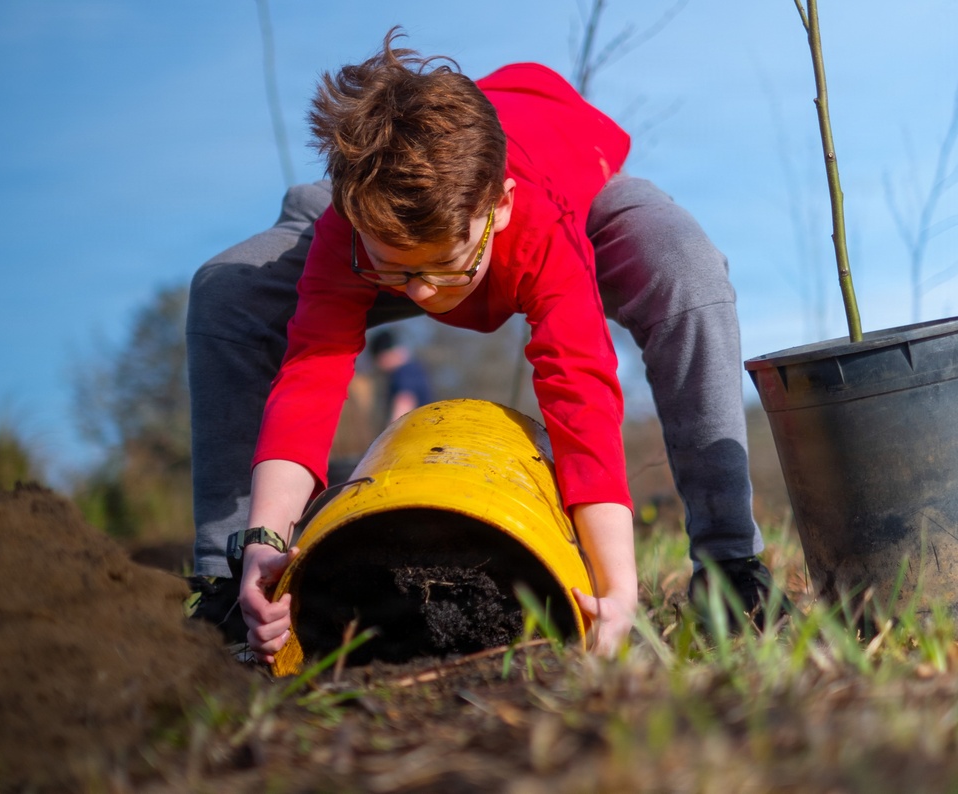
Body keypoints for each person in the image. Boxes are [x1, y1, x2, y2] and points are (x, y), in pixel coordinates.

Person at [187, 29, 778, 662]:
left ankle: (731, 567)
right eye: (398, 275)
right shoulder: (352, 231)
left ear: (497, 207)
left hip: (566, 187)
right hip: (404, 219)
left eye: (444, 271)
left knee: (685, 267)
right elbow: (312, 376)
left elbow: (581, 396)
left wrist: (617, 589)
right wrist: (266, 537)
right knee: (225, 291)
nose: (420, 294)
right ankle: (229, 583)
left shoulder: (537, 227)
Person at [368, 328, 433, 422]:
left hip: (411, 430)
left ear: (384, 355)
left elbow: (404, 401)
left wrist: (390, 434)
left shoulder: (403, 372)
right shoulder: (414, 368)